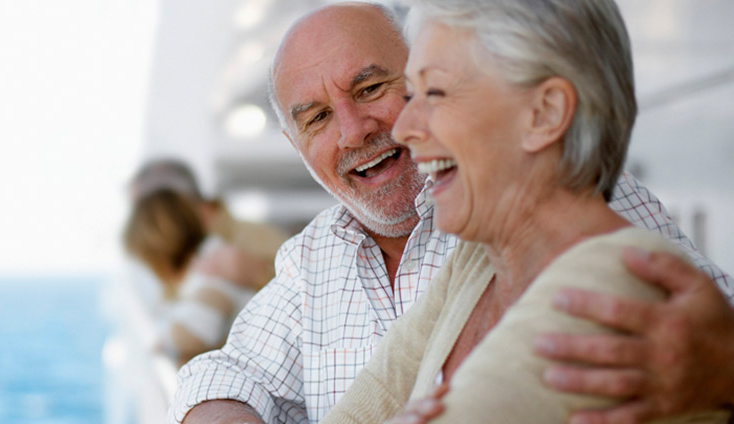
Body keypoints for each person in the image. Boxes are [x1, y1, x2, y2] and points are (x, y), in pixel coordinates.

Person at [168, 3, 734, 423]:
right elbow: (231, 371)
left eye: (385, 89)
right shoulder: (469, 261)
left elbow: (705, 329)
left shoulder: (599, 249)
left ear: (542, 114)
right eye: (316, 118)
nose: (368, 128)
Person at [124, 159, 289, 365]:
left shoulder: (222, 258)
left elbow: (195, 330)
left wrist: (261, 275)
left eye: (148, 213)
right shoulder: (201, 256)